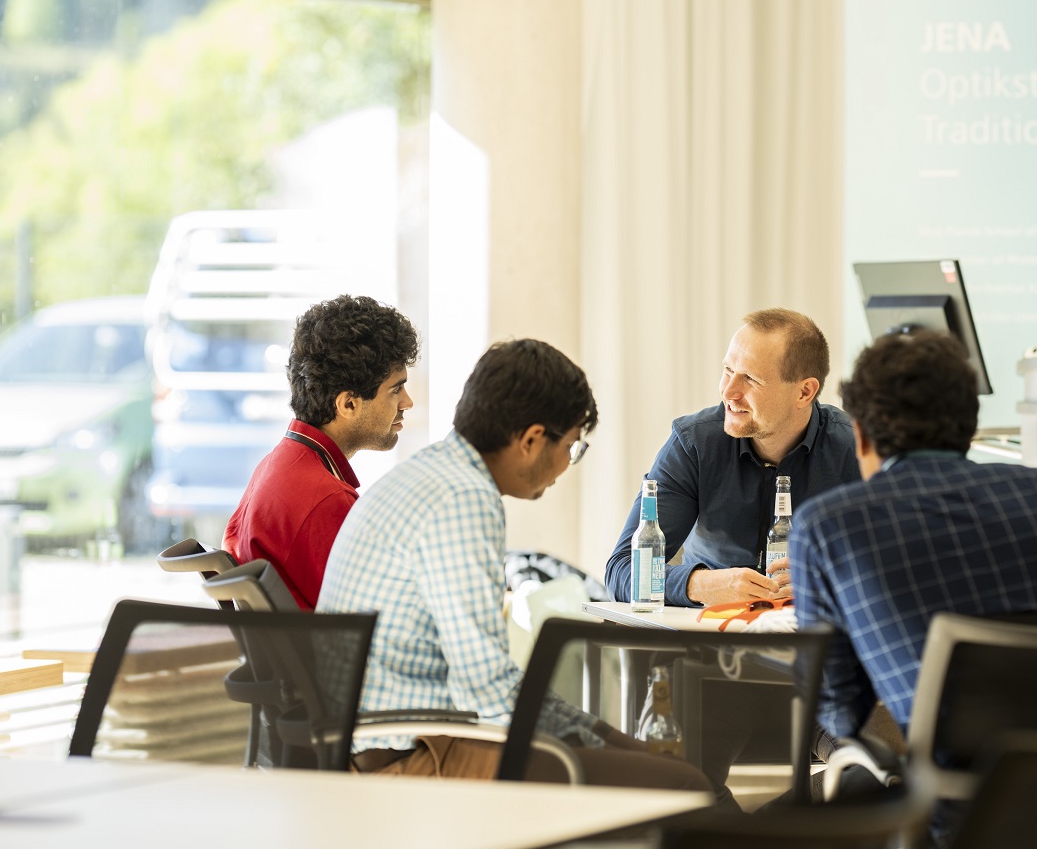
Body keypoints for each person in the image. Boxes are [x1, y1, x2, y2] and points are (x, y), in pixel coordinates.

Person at [318, 339, 711, 794]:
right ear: (530, 441)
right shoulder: (464, 498)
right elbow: (487, 690)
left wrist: (609, 739)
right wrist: (608, 744)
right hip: (410, 757)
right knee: (681, 785)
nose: (567, 465)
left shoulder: (432, 473)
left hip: (384, 741)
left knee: (645, 766)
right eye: (572, 447)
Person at [791, 329, 1037, 741]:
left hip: (952, 796)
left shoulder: (828, 526)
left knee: (779, 806)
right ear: (970, 423)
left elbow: (840, 714)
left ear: (861, 435)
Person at [604, 308, 860, 608]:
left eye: (750, 379)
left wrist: (827, 578)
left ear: (805, 392)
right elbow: (621, 571)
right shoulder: (693, 443)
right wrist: (701, 584)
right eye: (728, 371)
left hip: (816, 638)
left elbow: (895, 564)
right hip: (708, 640)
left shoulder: (854, 448)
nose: (728, 391)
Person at [223, 294, 418, 610]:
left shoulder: (276, 467)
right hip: (331, 657)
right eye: (396, 389)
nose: (407, 402)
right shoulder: (326, 500)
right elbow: (381, 619)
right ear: (348, 404)